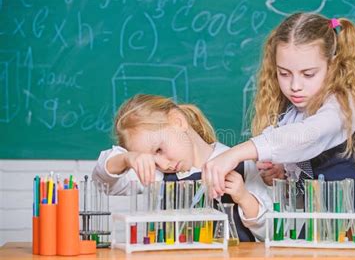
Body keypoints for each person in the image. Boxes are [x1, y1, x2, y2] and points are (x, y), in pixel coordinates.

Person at [202, 13, 355, 233]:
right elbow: (301, 168)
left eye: (308, 74)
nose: (295, 85)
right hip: (324, 230)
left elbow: (308, 135)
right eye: (284, 74)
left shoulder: (344, 105)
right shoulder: (292, 115)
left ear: (333, 66)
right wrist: (283, 172)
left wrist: (234, 154)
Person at [92, 94, 271, 241]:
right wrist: (125, 159)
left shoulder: (240, 164)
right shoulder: (157, 175)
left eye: (159, 149)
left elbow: (270, 233)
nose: (162, 164)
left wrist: (244, 197)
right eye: (152, 161)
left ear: (178, 121)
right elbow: (102, 182)